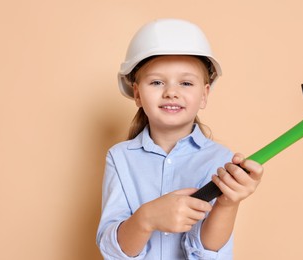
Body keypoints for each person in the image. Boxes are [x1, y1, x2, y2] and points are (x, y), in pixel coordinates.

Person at [96, 18, 264, 260]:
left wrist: (228, 204)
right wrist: (147, 218)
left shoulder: (222, 161)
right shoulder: (119, 158)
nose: (171, 92)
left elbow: (208, 254)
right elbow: (113, 251)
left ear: (204, 94)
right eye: (156, 82)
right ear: (137, 94)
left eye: (186, 83)